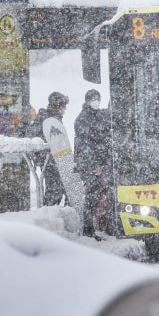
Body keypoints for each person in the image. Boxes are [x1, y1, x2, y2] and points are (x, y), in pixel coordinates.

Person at [32, 92, 86, 225]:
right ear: (57, 105)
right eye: (63, 105)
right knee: (54, 191)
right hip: (51, 162)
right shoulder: (45, 119)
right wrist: (45, 158)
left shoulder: (53, 118)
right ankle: (48, 221)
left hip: (56, 161)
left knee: (62, 189)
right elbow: (38, 141)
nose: (65, 109)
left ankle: (62, 221)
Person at [74, 89, 113, 238]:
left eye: (98, 98)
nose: (95, 101)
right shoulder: (82, 119)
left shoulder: (101, 115)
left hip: (102, 163)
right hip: (89, 164)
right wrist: (94, 163)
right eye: (92, 99)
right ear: (87, 101)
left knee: (104, 193)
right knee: (92, 194)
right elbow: (83, 144)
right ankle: (88, 229)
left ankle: (105, 226)